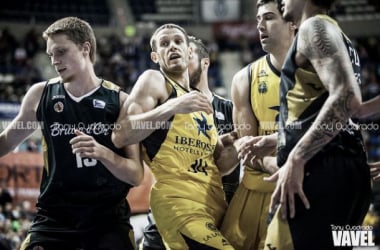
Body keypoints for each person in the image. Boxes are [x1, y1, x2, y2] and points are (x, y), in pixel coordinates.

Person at [0, 17, 144, 250]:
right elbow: (6, 141)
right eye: (50, 55)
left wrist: (102, 153)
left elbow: (136, 175)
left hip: (106, 220)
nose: (54, 61)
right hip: (54, 217)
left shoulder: (120, 101)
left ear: (85, 48)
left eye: (61, 52)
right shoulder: (40, 96)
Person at [112, 24, 237, 249]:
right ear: (154, 56)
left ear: (190, 51)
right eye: (165, 44)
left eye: (178, 41)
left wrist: (240, 148)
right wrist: (171, 106)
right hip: (178, 203)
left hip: (212, 205)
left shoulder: (199, 100)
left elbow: (219, 164)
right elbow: (121, 134)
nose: (172, 47)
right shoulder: (155, 81)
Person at [259, 0, 372, 249]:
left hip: (316, 170)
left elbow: (346, 97)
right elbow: (346, 107)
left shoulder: (314, 26)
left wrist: (296, 157)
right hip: (343, 170)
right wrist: (275, 140)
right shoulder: (338, 34)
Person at [220, 0, 296, 249]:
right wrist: (275, 164)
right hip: (255, 192)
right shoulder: (245, 78)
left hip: (301, 190)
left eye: (270, 18)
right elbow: (246, 144)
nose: (260, 25)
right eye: (258, 19)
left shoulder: (318, 72)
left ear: (292, 24)